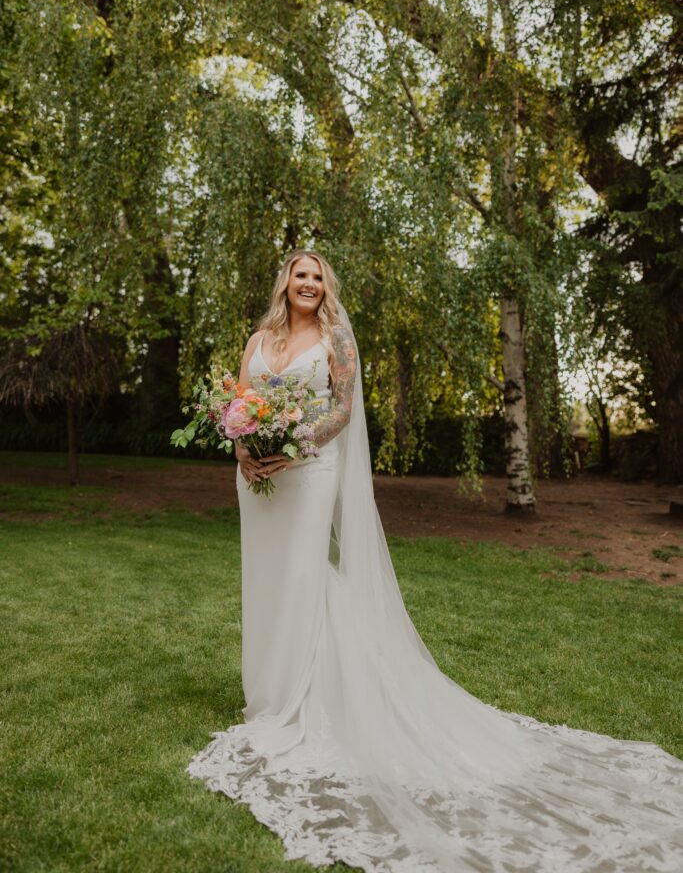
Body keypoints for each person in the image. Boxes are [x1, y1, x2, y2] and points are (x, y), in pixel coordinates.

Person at [188, 249, 683, 873]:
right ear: (284, 282)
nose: (308, 284)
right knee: (264, 580)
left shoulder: (339, 339)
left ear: (325, 286)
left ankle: (309, 698)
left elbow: (342, 411)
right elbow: (240, 403)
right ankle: (268, 694)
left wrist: (292, 445)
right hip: (259, 481)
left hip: (309, 472)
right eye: (299, 275)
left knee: (305, 578)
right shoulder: (259, 338)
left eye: (317, 277)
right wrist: (243, 451)